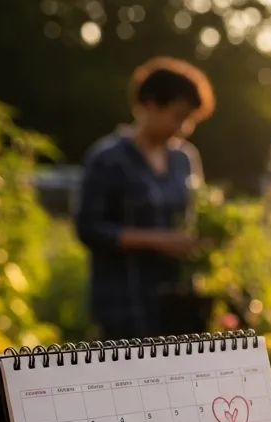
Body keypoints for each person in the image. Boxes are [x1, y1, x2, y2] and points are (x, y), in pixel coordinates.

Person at [74, 57, 213, 340]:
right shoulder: (108, 159)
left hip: (177, 305)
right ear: (149, 104)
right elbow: (89, 229)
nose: (184, 127)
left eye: (190, 120)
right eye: (178, 115)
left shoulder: (184, 159)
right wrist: (159, 240)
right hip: (124, 304)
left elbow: (194, 216)